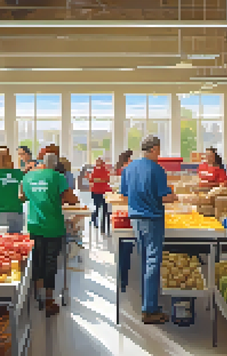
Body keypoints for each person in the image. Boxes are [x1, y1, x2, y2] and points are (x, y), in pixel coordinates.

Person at [120, 135, 178, 324]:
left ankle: (148, 300)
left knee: (145, 259)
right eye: (159, 149)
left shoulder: (128, 169)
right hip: (152, 219)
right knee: (153, 261)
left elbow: (124, 196)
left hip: (135, 218)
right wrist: (174, 196)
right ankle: (149, 309)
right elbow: (164, 197)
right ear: (154, 149)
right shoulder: (157, 170)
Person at [21, 153, 79, 317]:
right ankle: (48, 300)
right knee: (50, 262)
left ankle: (36, 296)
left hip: (34, 225)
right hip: (53, 226)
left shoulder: (28, 176)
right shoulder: (58, 177)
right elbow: (71, 199)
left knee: (37, 260)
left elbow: (21, 196)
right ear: (55, 164)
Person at [0, 148, 25, 233]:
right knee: (18, 241)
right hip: (17, 210)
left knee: (3, 241)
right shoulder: (19, 173)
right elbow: (24, 191)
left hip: (1, 211)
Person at [89, 157, 112, 230]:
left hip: (103, 191)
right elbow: (92, 179)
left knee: (104, 209)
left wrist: (99, 180)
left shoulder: (104, 170)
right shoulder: (94, 170)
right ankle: (95, 220)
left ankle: (103, 226)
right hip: (97, 191)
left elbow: (107, 179)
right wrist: (101, 180)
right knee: (97, 207)